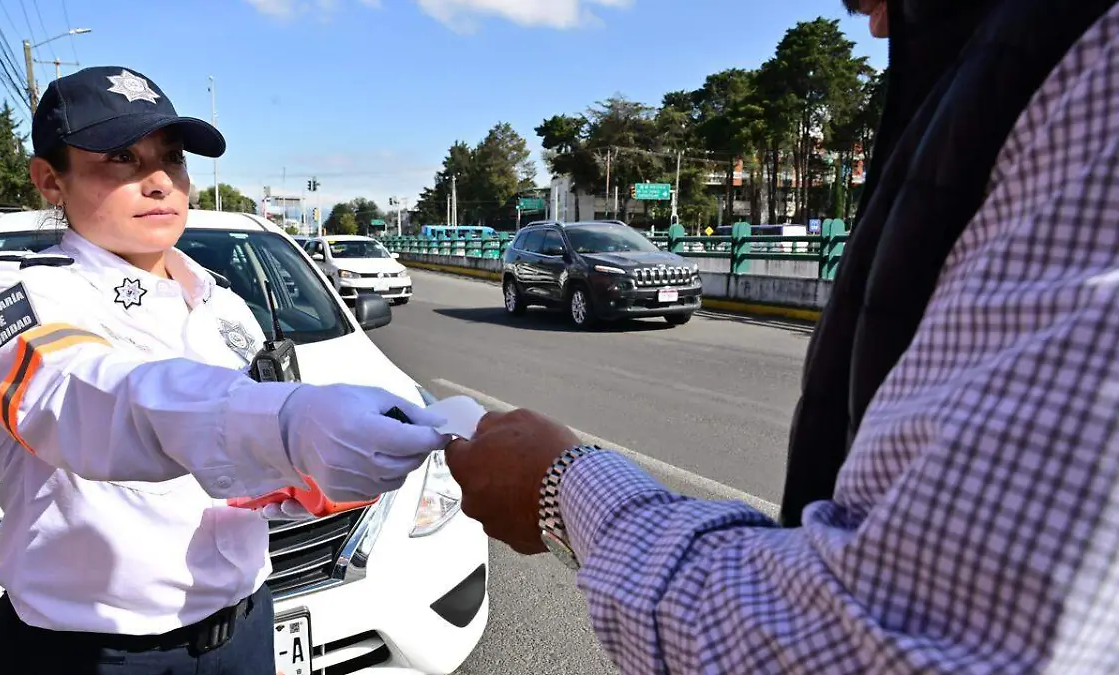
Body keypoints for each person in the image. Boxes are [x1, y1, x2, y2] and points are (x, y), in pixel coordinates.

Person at [446, 1, 1119, 673]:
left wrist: (562, 482)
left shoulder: (1080, 63)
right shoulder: (1005, 67)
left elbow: (908, 637)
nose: (864, 15)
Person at [0, 66, 449, 675]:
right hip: (93, 652)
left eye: (172, 158)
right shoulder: (17, 297)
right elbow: (89, 399)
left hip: (245, 627)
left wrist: (309, 475)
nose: (161, 181)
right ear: (50, 181)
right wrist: (286, 425)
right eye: (121, 159)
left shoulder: (223, 303)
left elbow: (241, 471)